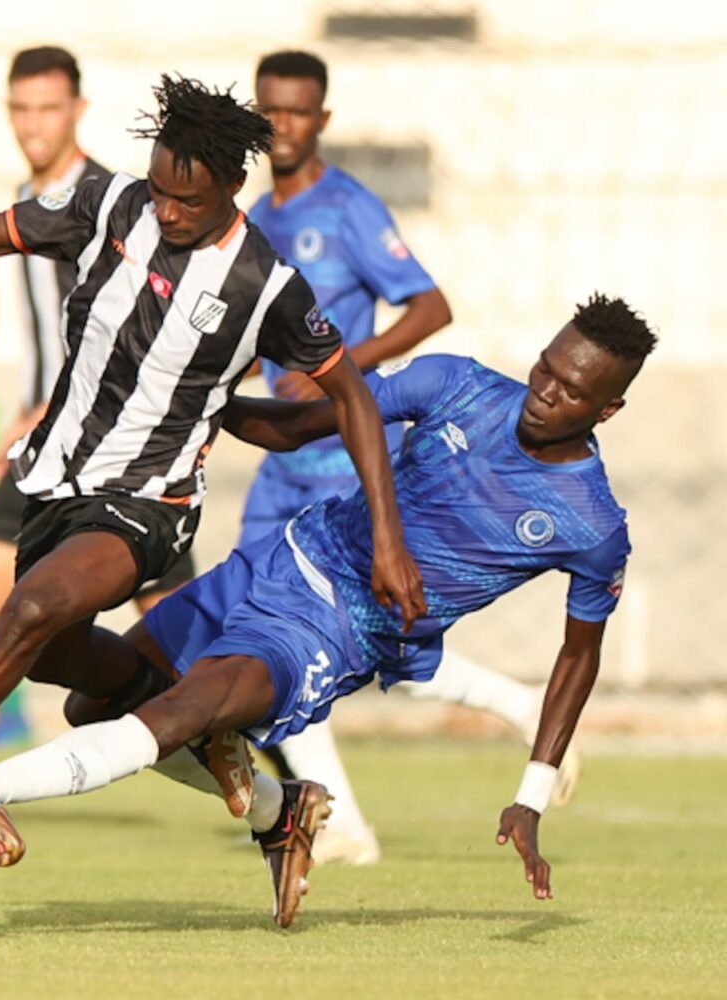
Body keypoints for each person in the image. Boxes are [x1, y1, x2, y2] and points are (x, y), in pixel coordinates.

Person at [0, 75, 425, 864]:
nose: (166, 211)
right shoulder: (109, 204)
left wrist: (388, 539)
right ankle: (259, 785)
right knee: (57, 661)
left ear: (231, 187)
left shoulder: (266, 285)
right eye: (159, 190)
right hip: (54, 481)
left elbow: (351, 399)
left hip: (149, 502)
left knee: (26, 610)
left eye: (187, 201)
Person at [0, 294, 657, 930]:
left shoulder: (591, 524)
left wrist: (531, 796)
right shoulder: (457, 384)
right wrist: (200, 397)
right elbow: (296, 427)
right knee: (86, 700)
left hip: (334, 629)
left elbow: (578, 657)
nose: (543, 393)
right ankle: (279, 809)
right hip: (278, 559)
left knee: (185, 710)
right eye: (544, 369)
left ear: (610, 408)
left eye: (570, 391)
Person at [243, 51, 580, 865]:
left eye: (297, 111)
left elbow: (431, 306)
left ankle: (509, 710)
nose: (282, 125)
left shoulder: (349, 208)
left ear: (322, 119)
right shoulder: (254, 214)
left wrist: (339, 367)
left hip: (344, 458)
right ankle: (341, 822)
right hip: (281, 462)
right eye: (270, 110)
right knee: (264, 630)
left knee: (357, 638)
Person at [0, 46, 194, 757]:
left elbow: (137, 327)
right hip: (48, 443)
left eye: (48, 108)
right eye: (22, 108)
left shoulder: (112, 204)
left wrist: (54, 404)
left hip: (119, 450)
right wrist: (31, 408)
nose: (33, 124)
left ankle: (288, 785)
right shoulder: (29, 199)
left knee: (180, 641)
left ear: (78, 111)